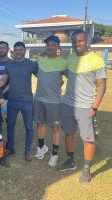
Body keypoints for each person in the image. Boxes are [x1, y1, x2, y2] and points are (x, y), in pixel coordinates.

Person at [58, 30, 107, 183]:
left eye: (80, 41)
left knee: (88, 138)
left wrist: (94, 107)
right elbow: (63, 73)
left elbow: (102, 87)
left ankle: (86, 169)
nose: (77, 44)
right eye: (74, 42)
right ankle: (70, 161)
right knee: (69, 133)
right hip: (68, 104)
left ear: (86, 41)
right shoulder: (71, 58)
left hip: (86, 107)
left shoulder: (97, 60)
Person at [0, 41, 38, 161]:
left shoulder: (31, 64)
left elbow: (41, 77)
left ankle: (27, 151)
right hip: (12, 100)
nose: (18, 52)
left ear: (24, 51)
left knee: (29, 127)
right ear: (13, 51)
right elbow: (3, 80)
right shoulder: (9, 65)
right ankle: (11, 148)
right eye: (16, 50)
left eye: (21, 50)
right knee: (10, 125)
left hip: (27, 101)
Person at [34, 35, 67, 167]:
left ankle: (54, 154)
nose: (50, 47)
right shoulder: (40, 59)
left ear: (58, 47)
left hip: (54, 101)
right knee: (40, 124)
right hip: (39, 99)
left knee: (55, 128)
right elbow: (38, 73)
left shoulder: (63, 62)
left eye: (53, 45)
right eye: (48, 45)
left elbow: (70, 77)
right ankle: (42, 147)